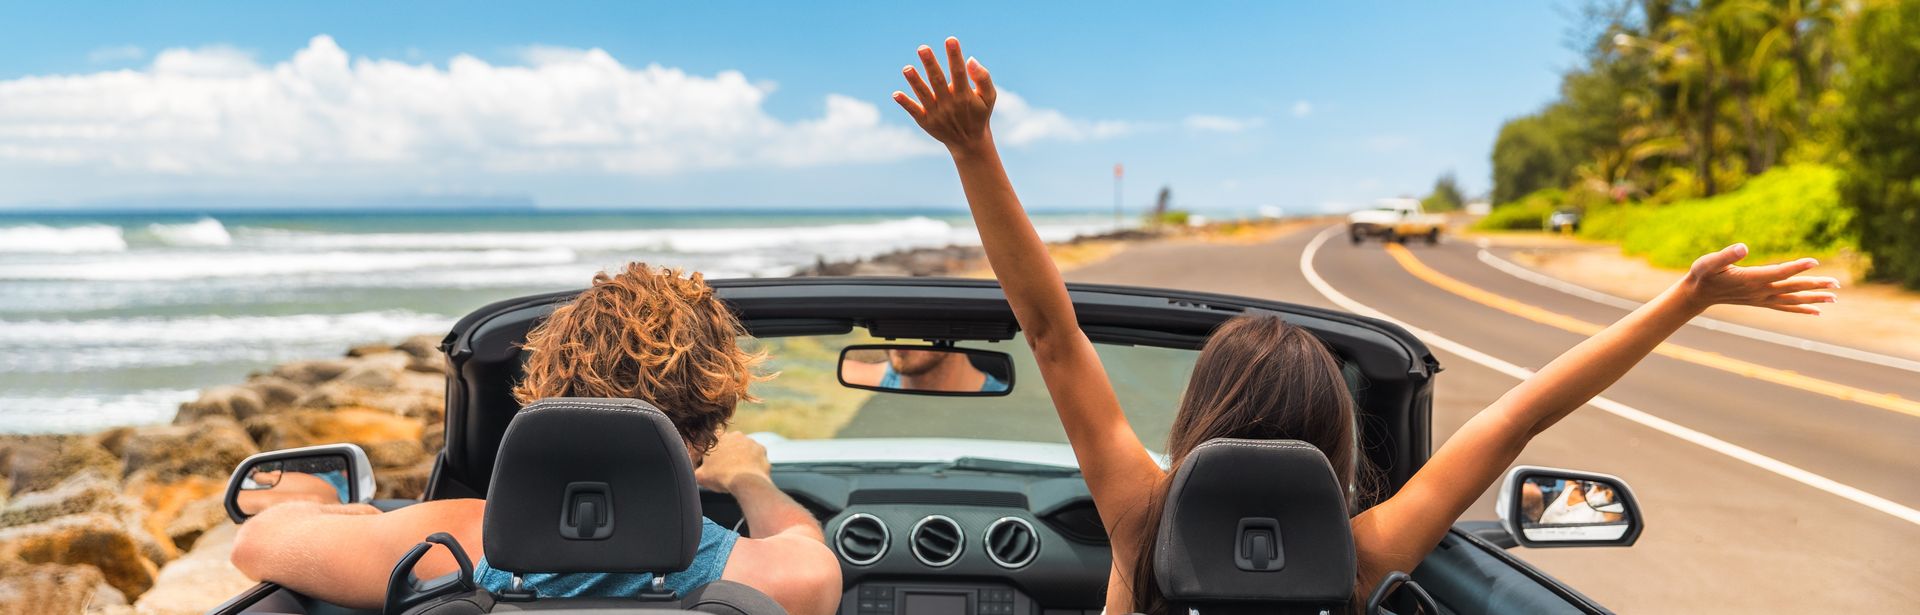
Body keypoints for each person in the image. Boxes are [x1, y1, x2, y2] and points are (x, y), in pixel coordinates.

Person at [889, 37, 1839, 614]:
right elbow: (1519, 415)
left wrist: (973, 151)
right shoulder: (1362, 554)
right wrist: (1685, 299)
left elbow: (1050, 331)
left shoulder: (1143, 519)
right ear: (1336, 439)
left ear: (1199, 416)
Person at [230, 264, 842, 615]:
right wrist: (748, 480)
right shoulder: (778, 579)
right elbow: (801, 542)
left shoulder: (455, 545)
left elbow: (256, 542)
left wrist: (347, 510)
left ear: (550, 397)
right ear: (711, 427)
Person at [840, 347, 1007, 393]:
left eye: (922, 323)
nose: (899, 336)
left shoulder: (1004, 406)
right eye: (888, 325)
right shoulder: (851, 377)